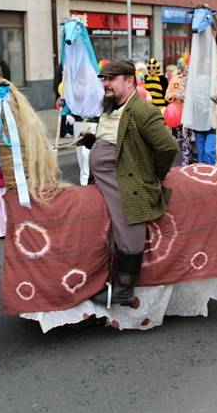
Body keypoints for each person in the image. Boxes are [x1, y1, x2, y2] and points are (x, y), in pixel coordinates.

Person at [79, 60, 178, 305]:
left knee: (127, 218)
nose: (106, 84)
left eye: (111, 79)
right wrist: (94, 141)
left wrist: (150, 173)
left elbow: (167, 146)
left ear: (130, 80)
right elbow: (117, 138)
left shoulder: (143, 111)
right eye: (104, 79)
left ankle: (125, 286)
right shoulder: (111, 106)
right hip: (102, 175)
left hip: (124, 177)